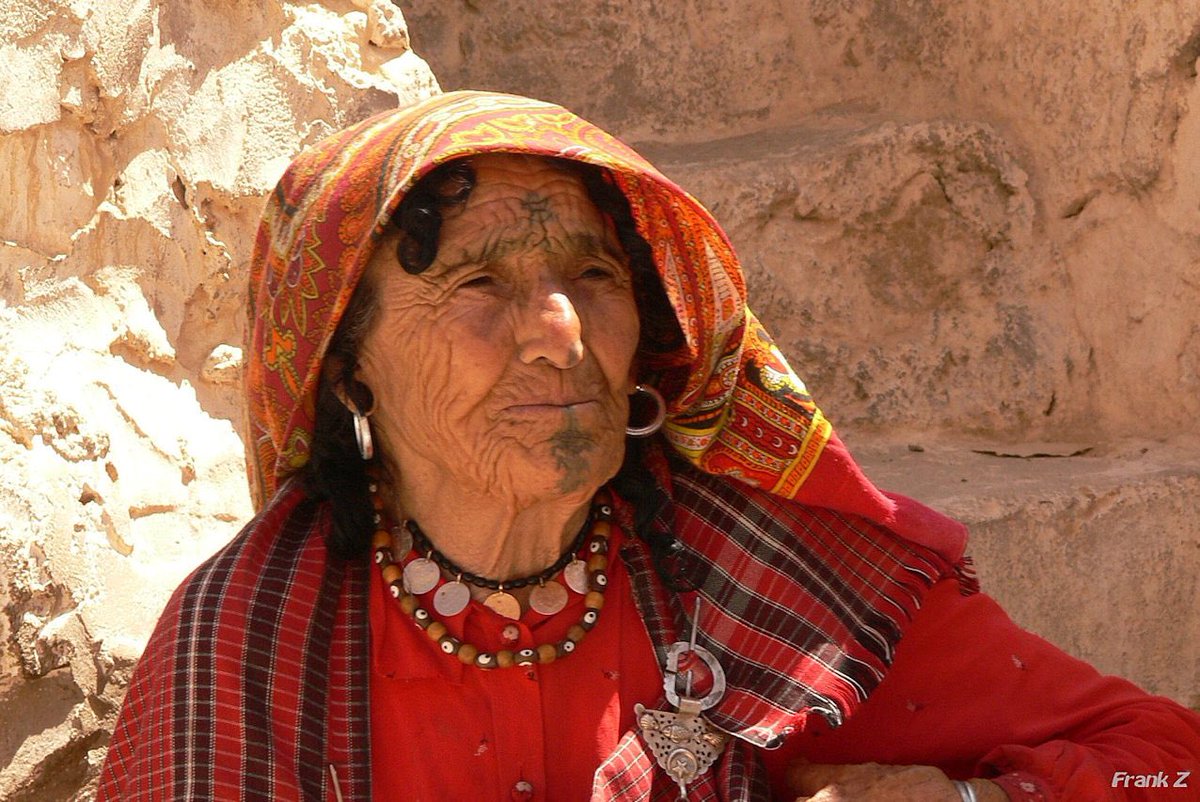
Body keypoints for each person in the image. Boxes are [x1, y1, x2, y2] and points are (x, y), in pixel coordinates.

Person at [96, 91, 1200, 802]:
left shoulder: (766, 583)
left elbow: (1162, 757)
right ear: (349, 363)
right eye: (480, 284)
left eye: (595, 278)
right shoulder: (242, 647)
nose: (562, 335)